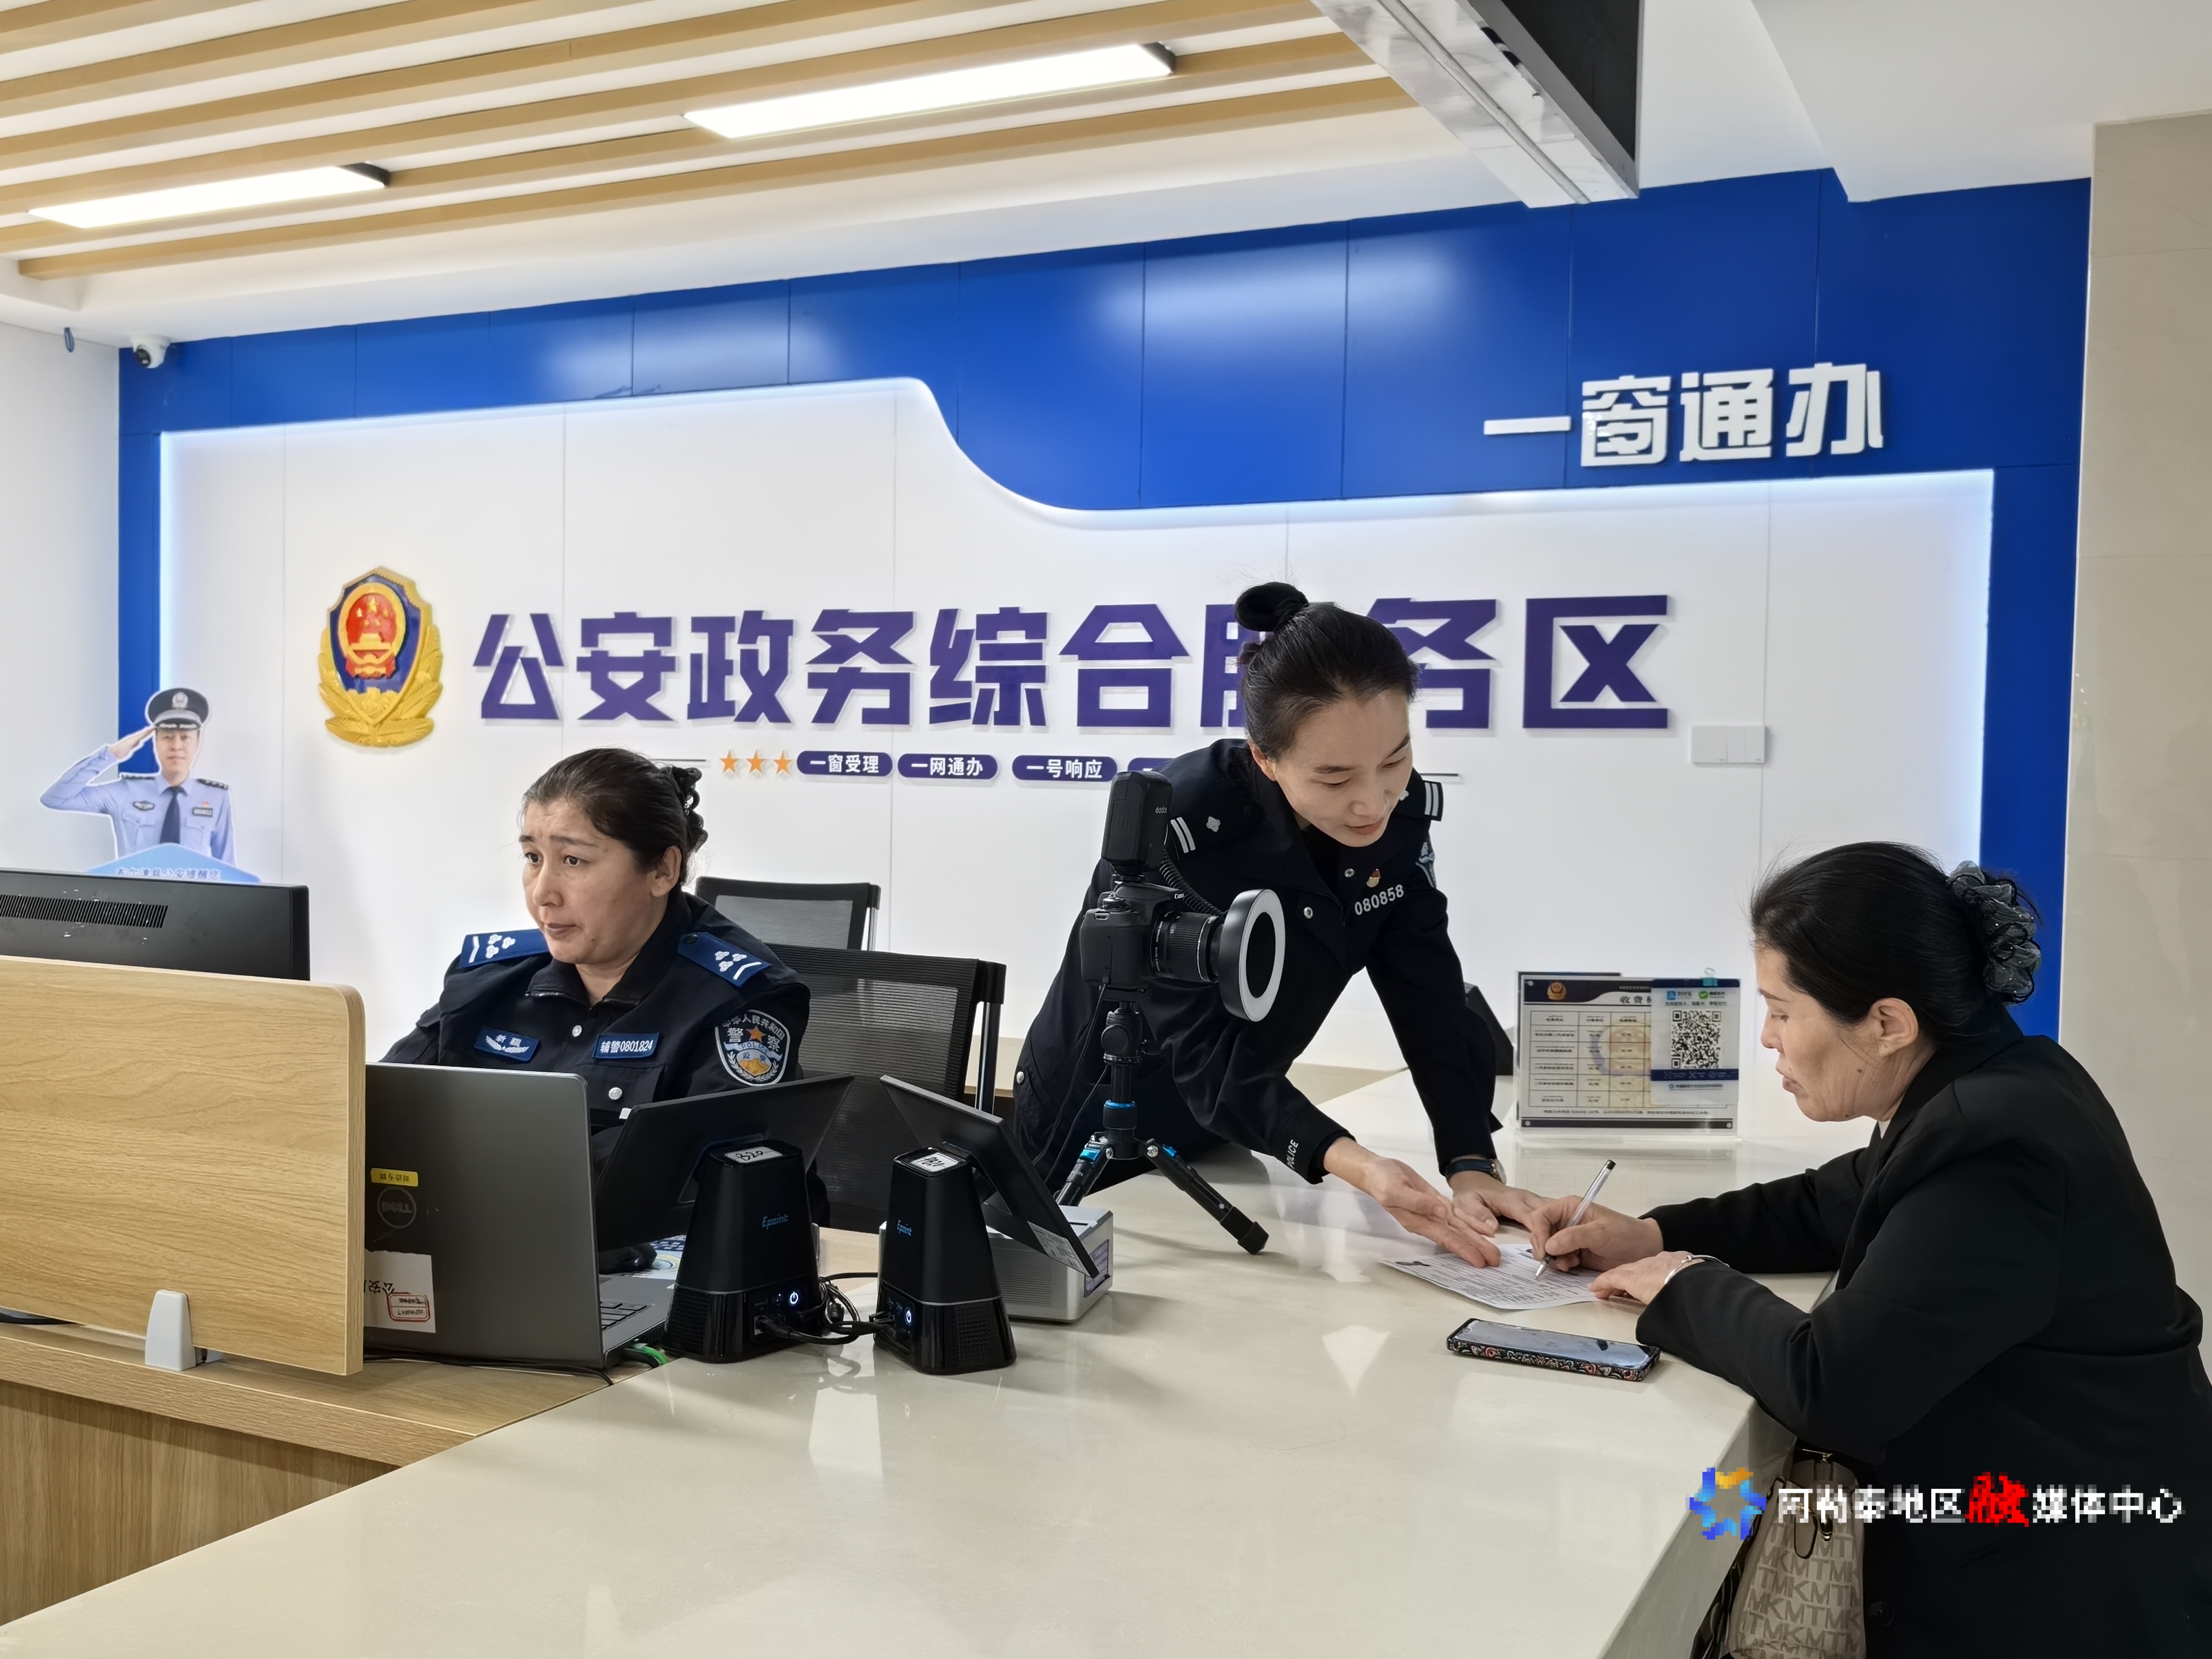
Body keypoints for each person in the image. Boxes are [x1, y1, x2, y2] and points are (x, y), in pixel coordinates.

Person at [1527, 844, 2212, 1654]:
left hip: (2067, 1590)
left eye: (1784, 1012)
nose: (1768, 1039)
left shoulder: (1994, 1147)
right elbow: (1833, 1201)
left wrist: (1685, 1284)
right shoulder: (1992, 1082)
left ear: (1888, 1023)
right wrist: (1652, 1233)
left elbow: (1833, 1385)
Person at [1013, 581, 1540, 1267]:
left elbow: (1428, 994)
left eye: (1394, 760)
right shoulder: (1175, 833)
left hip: (1235, 1124)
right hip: (1093, 1121)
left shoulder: (1400, 814)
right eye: (1334, 779)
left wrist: (1469, 1160)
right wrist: (1358, 1164)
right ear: (1264, 757)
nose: (1373, 802)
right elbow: (1202, 1055)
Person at [384, 748, 811, 1142]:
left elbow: (696, 1173)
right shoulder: (487, 979)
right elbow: (374, 1107)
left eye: (574, 861)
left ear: (662, 871)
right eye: (533, 858)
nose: (542, 893)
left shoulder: (739, 999)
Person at [43, 687, 233, 864]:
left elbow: (227, 867)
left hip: (192, 891)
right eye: (167, 737)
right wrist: (111, 755)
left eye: (185, 738)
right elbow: (56, 798)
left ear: (198, 743)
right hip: (135, 891)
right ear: (155, 743)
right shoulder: (126, 792)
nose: (176, 746)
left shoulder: (216, 797)